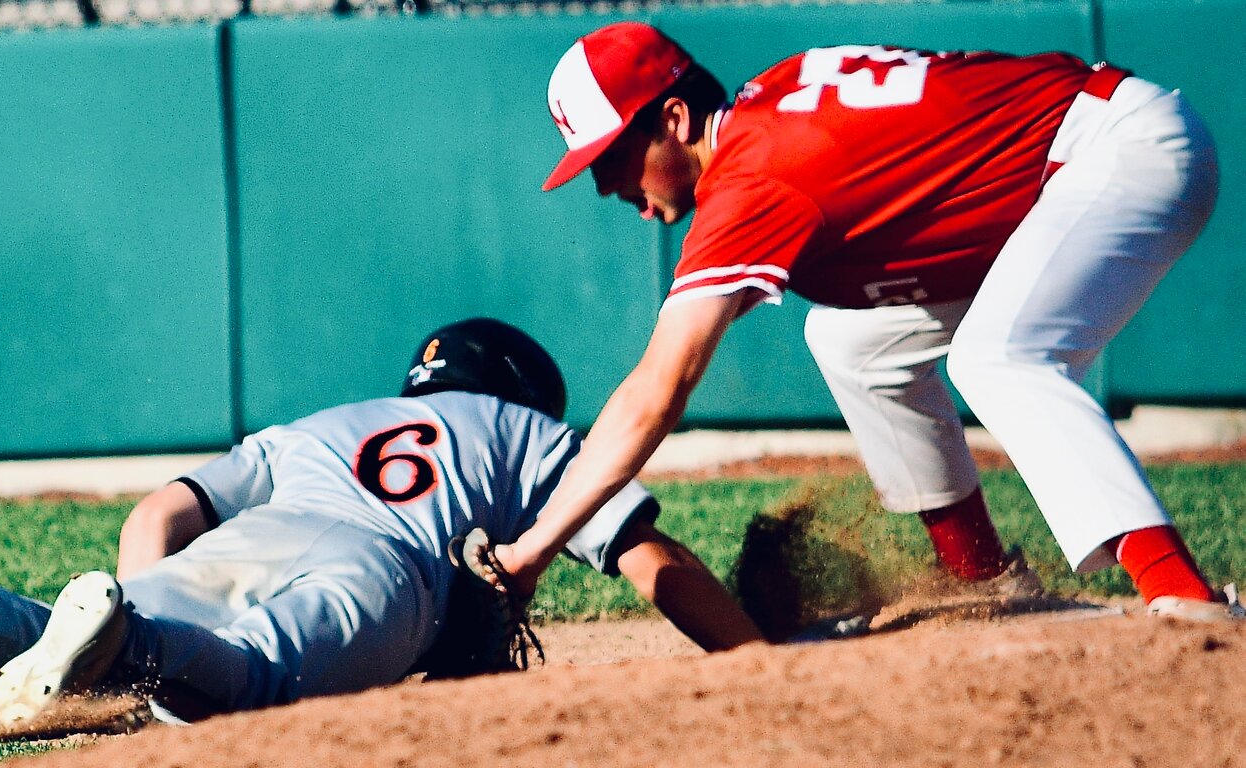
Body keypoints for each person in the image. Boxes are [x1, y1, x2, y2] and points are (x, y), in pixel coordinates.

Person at [493, 22, 1242, 621]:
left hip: (1115, 154)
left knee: (1000, 357)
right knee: (850, 340)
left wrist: (527, 556)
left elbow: (656, 392)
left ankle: (1180, 591)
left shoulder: (753, 174)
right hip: (1067, 162)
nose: (602, 183)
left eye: (611, 155)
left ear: (675, 118)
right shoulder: (767, 110)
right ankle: (984, 581)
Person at [0, 317, 761, 751]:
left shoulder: (325, 422)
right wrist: (759, 665)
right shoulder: (533, 432)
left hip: (255, 531)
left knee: (62, 643)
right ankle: (134, 644)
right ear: (517, 393)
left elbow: (159, 513)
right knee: (251, 681)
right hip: (387, 570)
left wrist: (142, 602)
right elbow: (650, 560)